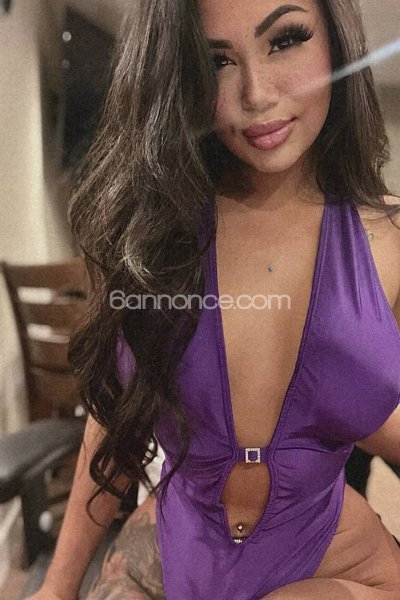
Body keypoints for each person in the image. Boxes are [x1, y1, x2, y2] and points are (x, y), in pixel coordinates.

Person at [29, 0, 400, 598]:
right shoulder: (150, 239)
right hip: (183, 550)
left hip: (337, 559)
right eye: (215, 62)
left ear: (335, 38)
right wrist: (57, 585)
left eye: (286, 40)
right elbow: (118, 413)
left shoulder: (392, 241)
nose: (256, 93)